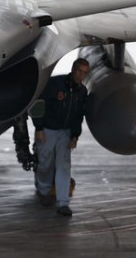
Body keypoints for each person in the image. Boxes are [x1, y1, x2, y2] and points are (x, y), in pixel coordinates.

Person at [32, 58, 89, 217]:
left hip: (65, 132)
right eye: (79, 71)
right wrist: (39, 128)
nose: (81, 75)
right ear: (73, 69)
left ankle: (63, 203)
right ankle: (43, 191)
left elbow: (79, 115)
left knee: (64, 166)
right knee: (45, 163)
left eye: (85, 72)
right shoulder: (54, 83)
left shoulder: (82, 91)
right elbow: (38, 102)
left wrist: (75, 135)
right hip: (47, 130)